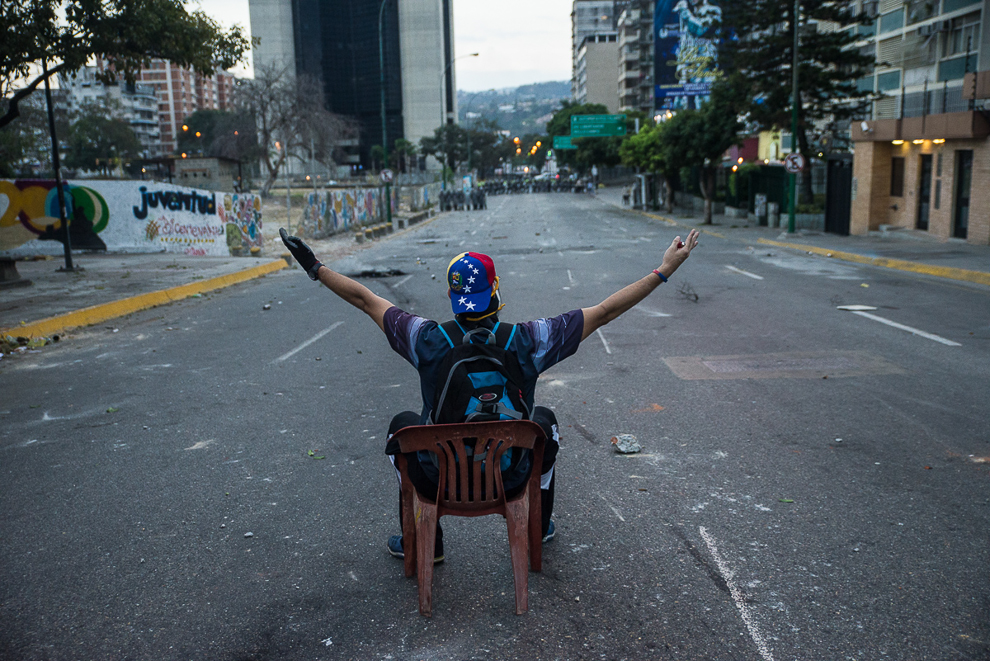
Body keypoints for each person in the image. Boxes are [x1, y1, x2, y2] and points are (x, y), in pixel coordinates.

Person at [279, 226, 700, 563]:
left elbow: (364, 299)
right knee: (545, 424)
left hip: (439, 479)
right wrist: (663, 271)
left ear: (453, 296)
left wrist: (315, 267)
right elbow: (606, 311)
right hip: (510, 475)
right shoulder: (529, 339)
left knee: (401, 427)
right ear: (494, 290)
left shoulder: (426, 338)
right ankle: (538, 524)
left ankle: (426, 542)